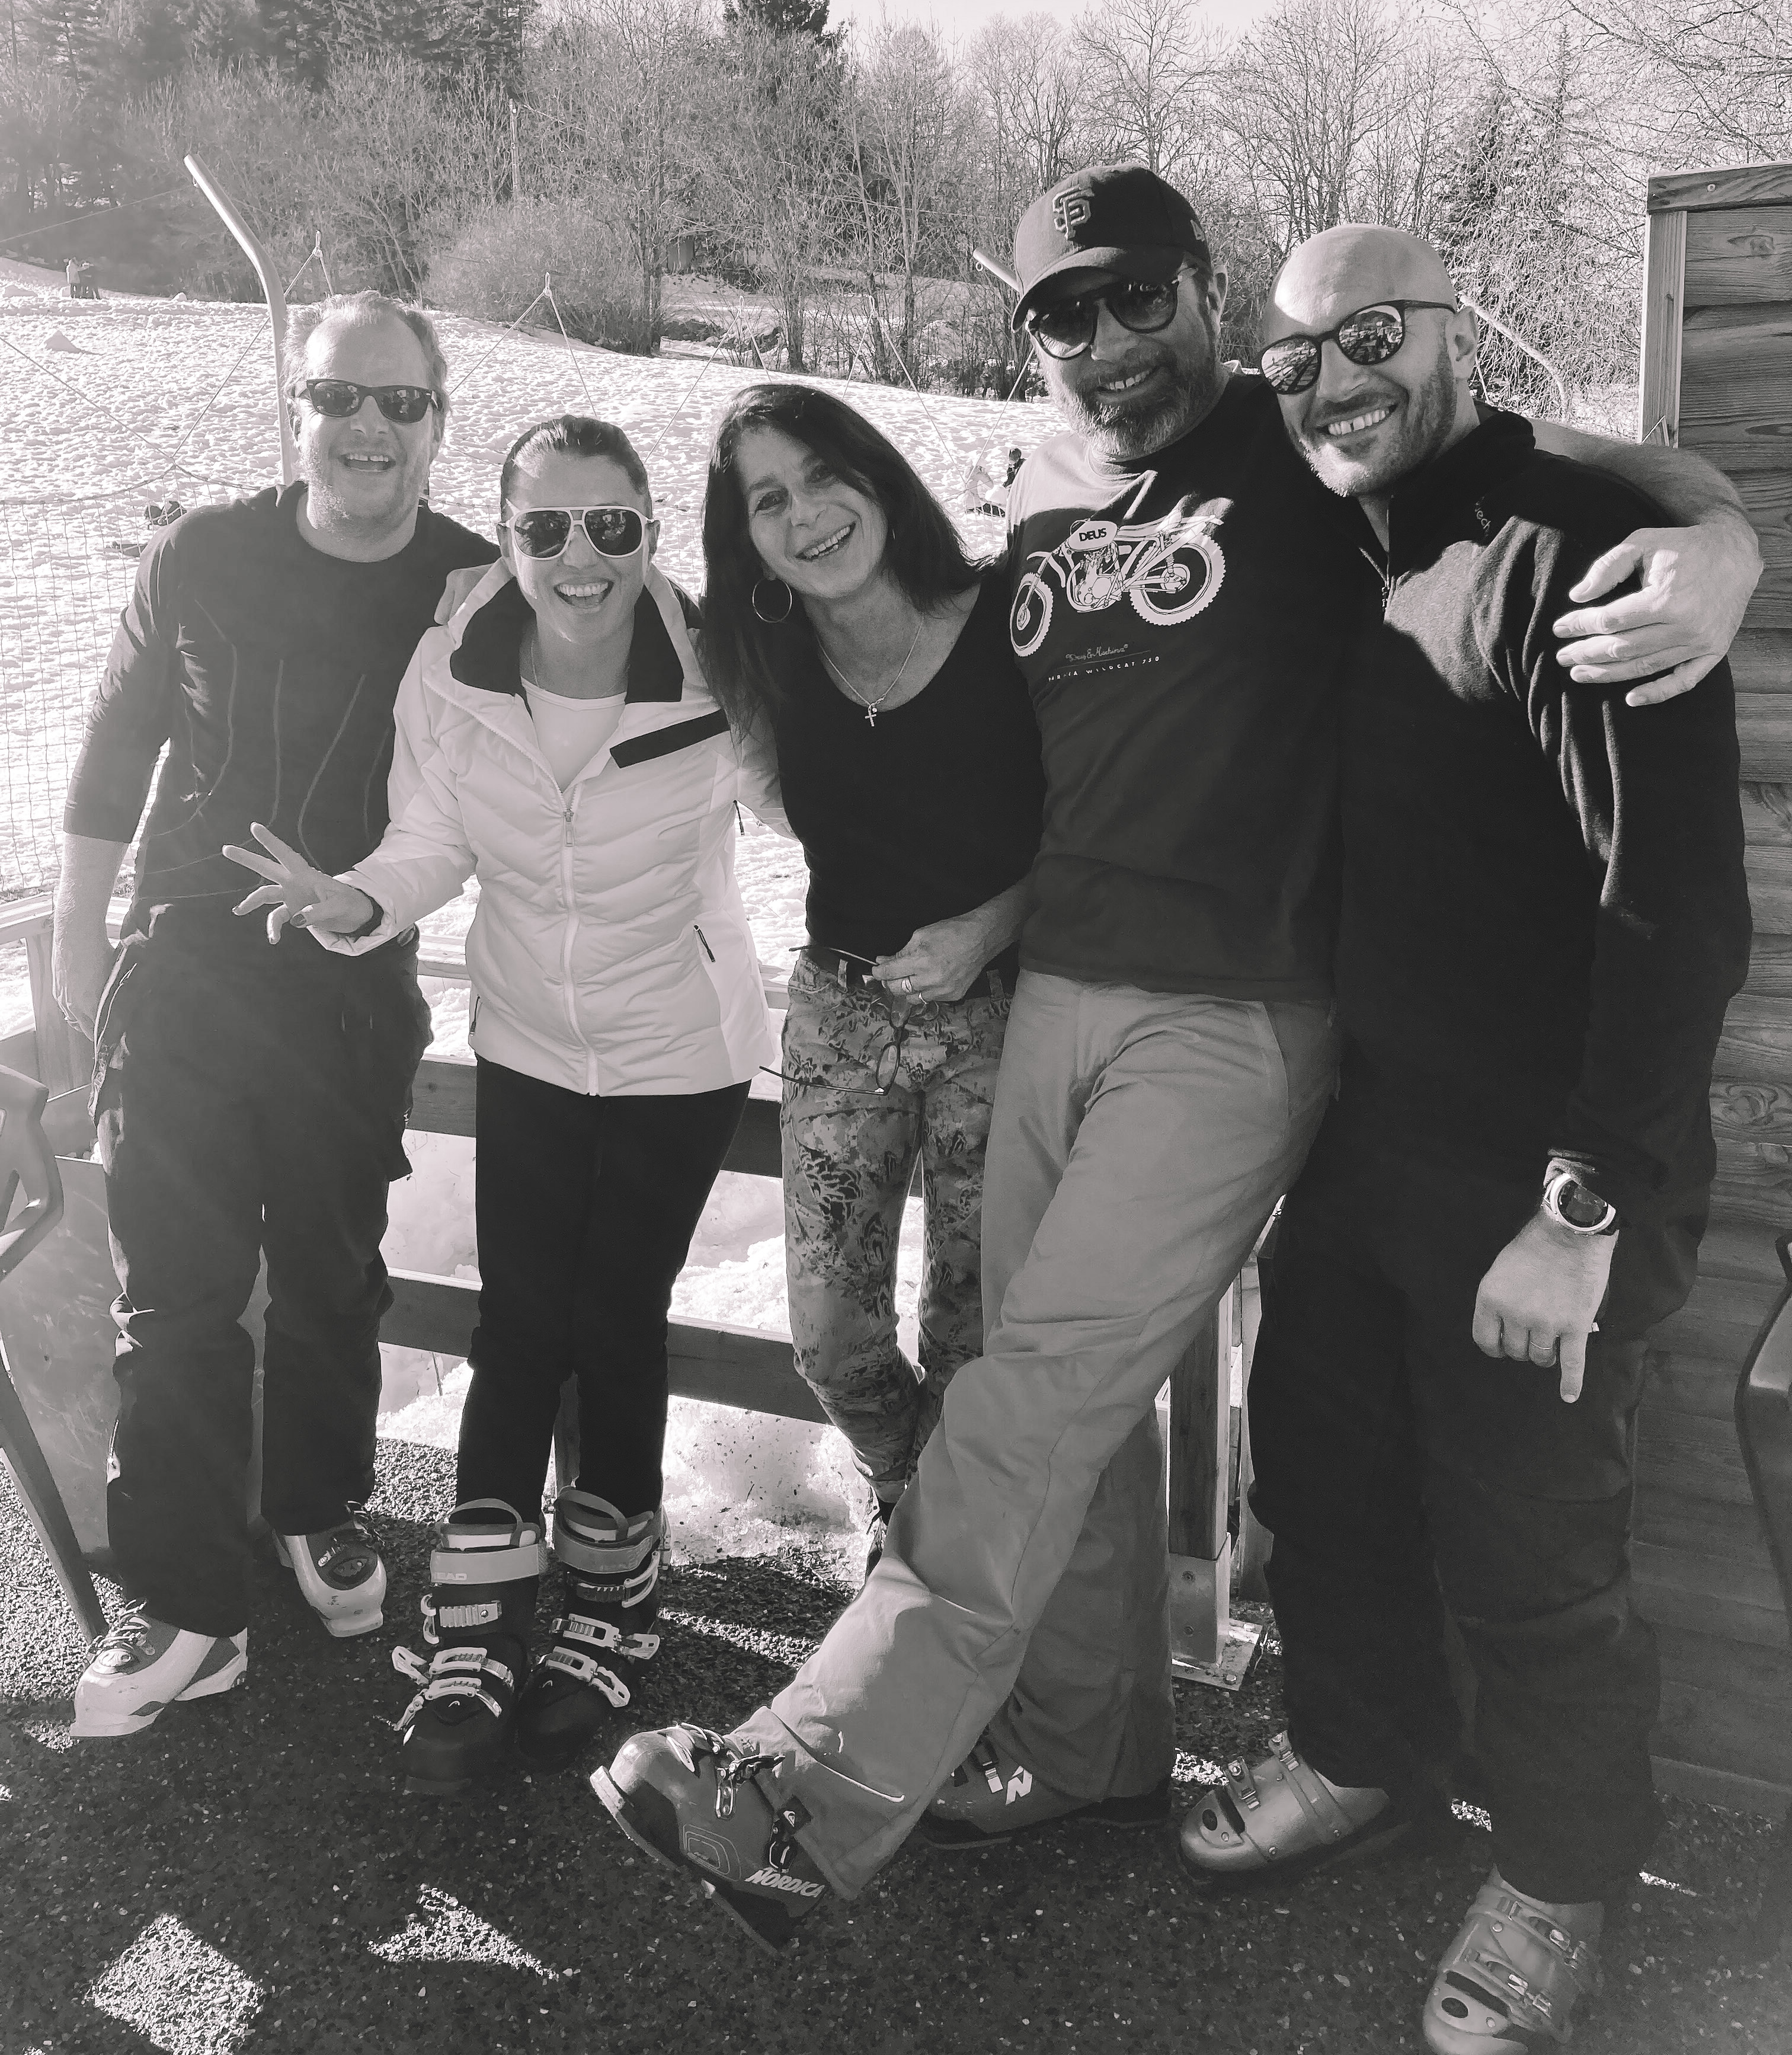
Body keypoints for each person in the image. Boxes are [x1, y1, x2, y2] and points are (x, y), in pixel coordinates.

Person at [591, 166, 1759, 1951]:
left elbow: (1563, 464)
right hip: (1054, 994)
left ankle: (806, 1786)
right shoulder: (1041, 487)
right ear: (1032, 339)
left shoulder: (1298, 438)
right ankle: (1087, 1751)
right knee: (1052, 1401)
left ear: (1204, 290)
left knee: (1033, 1392)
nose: (1111, 338)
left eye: (1142, 295)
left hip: (1231, 1017)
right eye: (1066, 312)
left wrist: (1722, 534)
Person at [1175, 227, 1751, 2053]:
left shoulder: (1579, 554)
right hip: (1367, 1146)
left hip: (1549, 1177)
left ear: (1450, 332)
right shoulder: (1349, 540)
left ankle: (1565, 1879)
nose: (1333, 381)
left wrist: (1585, 1203)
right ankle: (1364, 1758)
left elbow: (1677, 912)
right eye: (1295, 359)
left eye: (1371, 336)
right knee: (1323, 1487)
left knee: (1535, 1561)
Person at [227, 416, 775, 1791]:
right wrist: (359, 899)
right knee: (521, 1319)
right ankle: (473, 1623)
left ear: (650, 530)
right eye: (545, 527)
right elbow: (430, 839)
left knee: (615, 1316)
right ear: (509, 536)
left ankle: (611, 1604)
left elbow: (809, 800)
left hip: (678, 1048)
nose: (581, 557)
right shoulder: (455, 665)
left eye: (612, 525)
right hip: (530, 1035)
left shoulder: (718, 663)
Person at [53, 291, 493, 1737]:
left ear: (437, 420)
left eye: (399, 402)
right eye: (338, 397)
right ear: (295, 408)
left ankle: (315, 1507)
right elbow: (112, 756)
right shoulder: (203, 554)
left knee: (329, 1276)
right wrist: (76, 951)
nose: (368, 426)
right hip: (183, 968)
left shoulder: (469, 586)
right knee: (174, 1295)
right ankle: (186, 1609)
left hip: (351, 978)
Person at [700, 383, 1044, 1569]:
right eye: (769, 501)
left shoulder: (1008, 619)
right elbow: (596, 605)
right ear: (747, 539)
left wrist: (989, 928)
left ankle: (938, 1567)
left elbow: (1103, 815)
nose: (806, 516)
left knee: (971, 1332)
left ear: (879, 474)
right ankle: (901, 1487)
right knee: (831, 1341)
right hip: (841, 1019)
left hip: (1003, 1019)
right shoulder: (764, 660)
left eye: (823, 475)